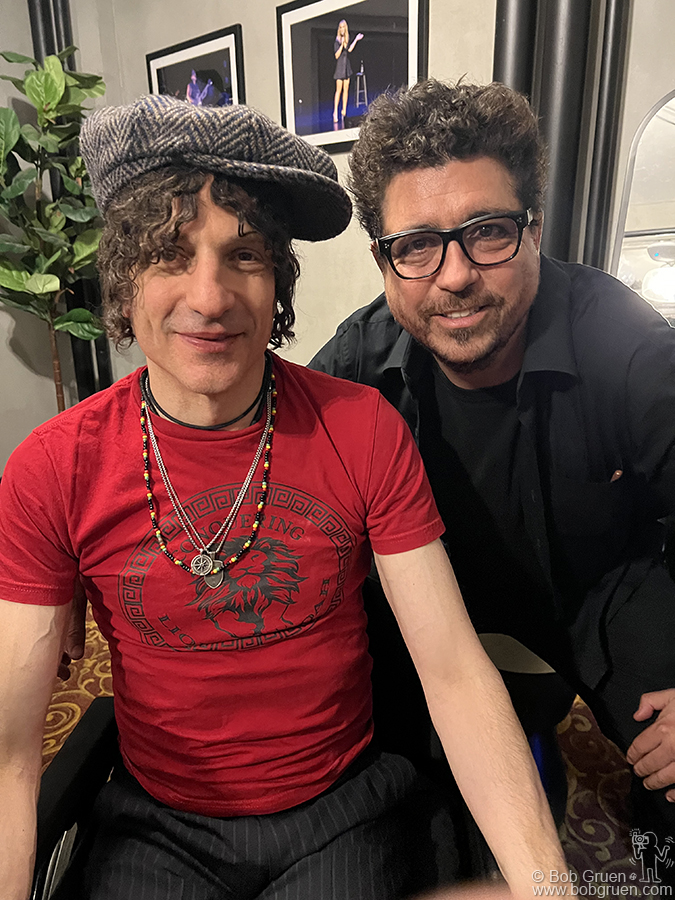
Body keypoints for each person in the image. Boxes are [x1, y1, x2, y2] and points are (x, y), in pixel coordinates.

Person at [0, 94, 565, 900]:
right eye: (168, 254)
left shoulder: (360, 427)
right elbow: (12, 751)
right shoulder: (52, 468)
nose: (208, 296)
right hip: (158, 817)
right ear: (124, 280)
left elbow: (452, 672)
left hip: (340, 808)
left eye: (244, 255)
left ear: (278, 282)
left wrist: (548, 887)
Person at [311, 78, 675, 852]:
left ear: (532, 228)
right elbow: (260, 483)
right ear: (383, 258)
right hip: (426, 613)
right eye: (415, 245)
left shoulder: (626, 344)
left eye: (486, 232)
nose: (452, 276)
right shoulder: (354, 369)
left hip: (599, 587)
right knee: (416, 826)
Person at [333, 19, 363, 123]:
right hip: (340, 67)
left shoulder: (347, 38)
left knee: (346, 89)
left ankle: (344, 112)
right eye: (340, 27)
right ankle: (335, 112)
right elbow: (336, 56)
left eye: (343, 27)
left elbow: (349, 50)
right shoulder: (337, 40)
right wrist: (342, 45)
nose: (342, 29)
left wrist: (356, 40)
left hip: (347, 66)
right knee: (339, 90)